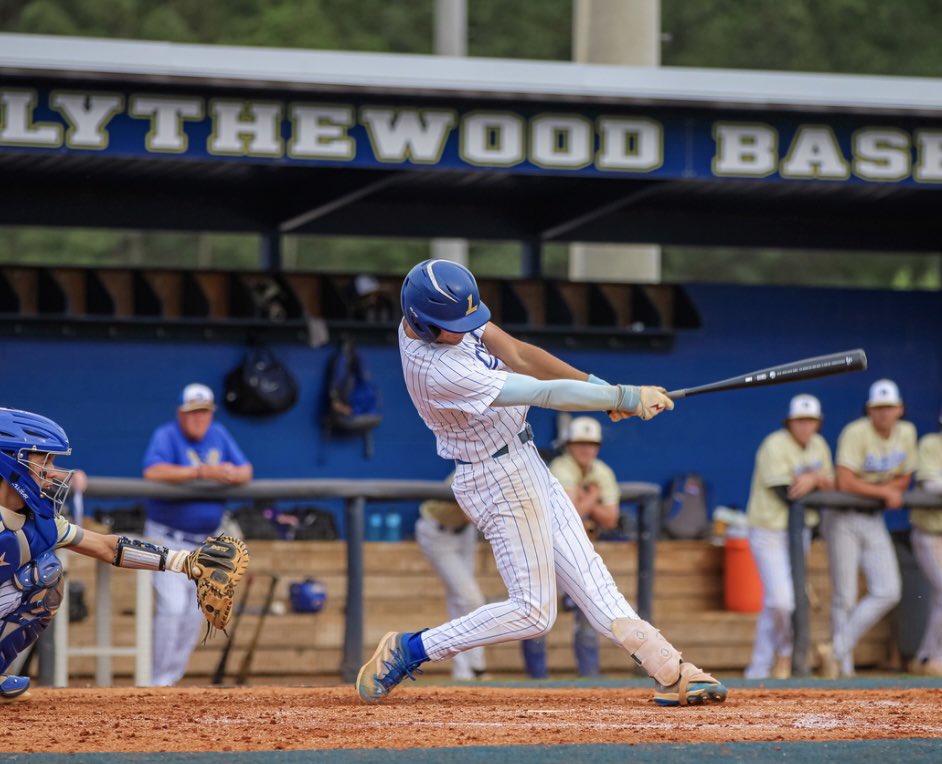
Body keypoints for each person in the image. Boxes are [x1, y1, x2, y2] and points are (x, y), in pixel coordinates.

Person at [356, 258, 728, 707]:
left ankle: (671, 670)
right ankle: (411, 649)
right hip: (494, 478)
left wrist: (601, 388)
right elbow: (541, 391)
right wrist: (620, 396)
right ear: (424, 323)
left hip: (523, 460)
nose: (466, 328)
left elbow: (519, 353)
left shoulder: (443, 313)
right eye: (454, 325)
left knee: (593, 580)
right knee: (534, 612)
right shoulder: (439, 370)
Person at [0, 407, 231, 701]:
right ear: (11, 463)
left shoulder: (40, 522)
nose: (54, 474)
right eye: (44, 461)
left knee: (46, 576)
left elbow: (106, 547)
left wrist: (182, 561)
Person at [142, 383, 252, 686]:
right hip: (167, 538)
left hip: (204, 544)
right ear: (181, 413)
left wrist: (228, 473)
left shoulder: (218, 434)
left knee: (195, 612)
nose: (199, 418)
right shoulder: (166, 435)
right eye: (193, 412)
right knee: (173, 608)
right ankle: (157, 683)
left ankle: (171, 679)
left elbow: (246, 471)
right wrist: (202, 473)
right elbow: (152, 472)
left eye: (204, 412)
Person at [818, 378, 915, 678]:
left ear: (900, 409)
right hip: (843, 516)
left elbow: (905, 478)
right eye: (878, 408)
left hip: (873, 518)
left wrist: (885, 490)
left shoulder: (907, 432)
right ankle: (842, 667)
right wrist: (884, 492)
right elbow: (845, 481)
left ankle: (836, 649)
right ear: (869, 410)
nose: (884, 413)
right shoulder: (856, 432)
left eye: (889, 408)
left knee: (888, 590)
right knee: (844, 595)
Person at [743, 394, 834, 680]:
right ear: (790, 422)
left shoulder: (819, 445)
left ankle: (759, 668)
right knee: (782, 600)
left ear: (817, 423)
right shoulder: (775, 444)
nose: (805, 426)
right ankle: (783, 651)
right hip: (768, 530)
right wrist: (813, 479)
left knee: (777, 600)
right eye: (800, 421)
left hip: (800, 532)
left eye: (810, 421)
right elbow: (786, 492)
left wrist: (815, 479)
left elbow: (832, 484)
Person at [522, 416, 620, 678]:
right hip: (544, 549)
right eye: (579, 443)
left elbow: (611, 518)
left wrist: (586, 502)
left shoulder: (603, 471)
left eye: (591, 444)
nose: (586, 449)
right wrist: (593, 497)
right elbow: (572, 512)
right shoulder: (560, 466)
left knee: (588, 614)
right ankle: (536, 681)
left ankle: (590, 681)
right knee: (537, 616)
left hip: (576, 553)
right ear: (568, 445)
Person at [414, 474, 488, 681]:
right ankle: (473, 667)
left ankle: (468, 671)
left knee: (461, 600)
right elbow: (471, 514)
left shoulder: (499, 467)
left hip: (464, 533)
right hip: (437, 533)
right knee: (471, 598)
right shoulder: (466, 471)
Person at [910, 406, 942, 676]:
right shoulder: (931, 443)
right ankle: (932, 657)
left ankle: (924, 657)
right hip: (929, 533)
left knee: (939, 597)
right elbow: (931, 485)